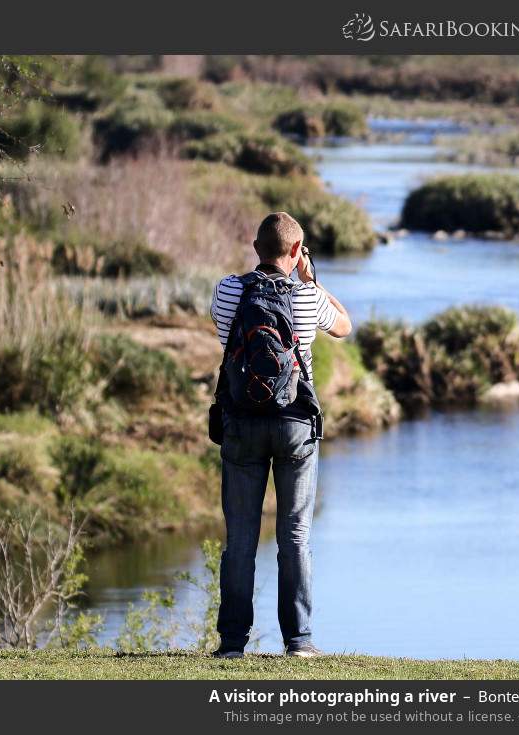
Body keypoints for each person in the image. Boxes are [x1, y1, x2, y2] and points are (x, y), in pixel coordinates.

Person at [209, 212, 351, 658]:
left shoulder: (229, 290)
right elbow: (345, 326)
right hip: (295, 427)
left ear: (255, 248)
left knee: (240, 540)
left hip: (241, 425)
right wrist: (313, 277)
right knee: (294, 536)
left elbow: (220, 333)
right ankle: (300, 642)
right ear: (295, 250)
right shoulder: (307, 297)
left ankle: (232, 644)